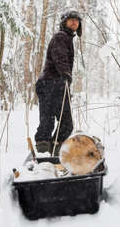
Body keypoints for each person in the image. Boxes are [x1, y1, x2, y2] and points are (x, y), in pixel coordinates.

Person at [34, 10, 82, 156]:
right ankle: (43, 152)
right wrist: (66, 74)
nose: (74, 22)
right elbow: (59, 56)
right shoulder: (60, 37)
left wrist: (65, 78)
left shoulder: (67, 38)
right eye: (71, 20)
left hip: (59, 84)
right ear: (64, 22)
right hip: (50, 83)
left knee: (66, 123)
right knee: (48, 121)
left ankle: (55, 150)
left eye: (77, 20)